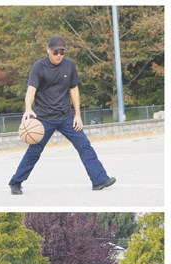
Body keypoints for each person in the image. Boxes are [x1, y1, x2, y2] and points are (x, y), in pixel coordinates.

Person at [8, 35, 116, 195]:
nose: (59, 55)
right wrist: (28, 109)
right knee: (34, 152)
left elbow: (74, 89)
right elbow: (31, 90)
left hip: (66, 116)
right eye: (55, 52)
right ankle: (16, 182)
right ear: (48, 50)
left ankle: (99, 180)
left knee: (84, 146)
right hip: (43, 118)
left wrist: (78, 115)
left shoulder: (69, 66)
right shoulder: (39, 67)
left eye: (62, 52)